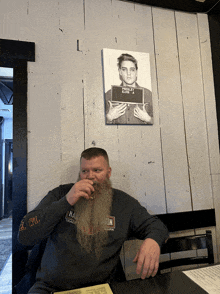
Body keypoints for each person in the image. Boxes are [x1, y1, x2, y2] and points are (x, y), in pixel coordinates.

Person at [18, 147, 169, 294]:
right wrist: (66, 201)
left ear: (108, 172)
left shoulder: (124, 203)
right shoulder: (60, 194)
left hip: (100, 288)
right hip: (51, 288)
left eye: (97, 170)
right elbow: (25, 235)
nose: (90, 176)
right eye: (85, 171)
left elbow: (156, 226)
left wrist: (153, 240)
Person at [105, 53, 153, 125]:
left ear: (136, 72)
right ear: (120, 72)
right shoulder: (108, 95)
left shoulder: (148, 94)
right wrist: (108, 118)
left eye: (132, 70)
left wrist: (149, 119)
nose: (129, 73)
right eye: (124, 70)